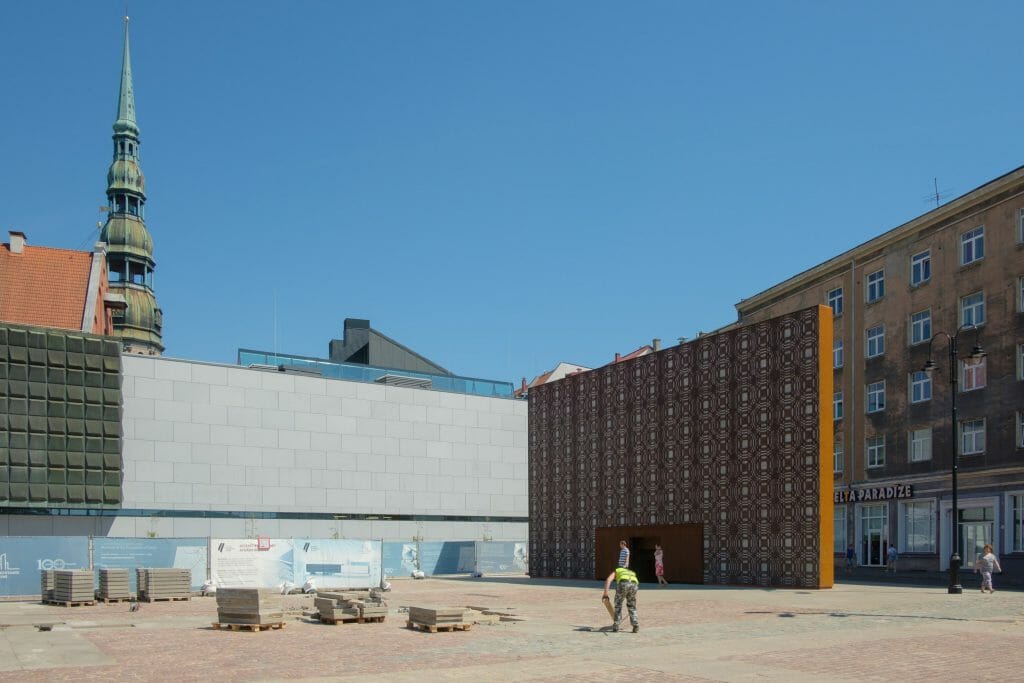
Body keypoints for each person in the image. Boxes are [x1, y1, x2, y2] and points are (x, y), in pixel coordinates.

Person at [603, 565, 639, 633]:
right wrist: (634, 600)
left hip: (623, 583)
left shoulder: (617, 570)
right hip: (634, 585)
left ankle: (616, 625)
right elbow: (634, 585)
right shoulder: (631, 572)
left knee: (618, 604)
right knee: (632, 606)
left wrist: (605, 594)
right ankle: (635, 624)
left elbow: (608, 580)